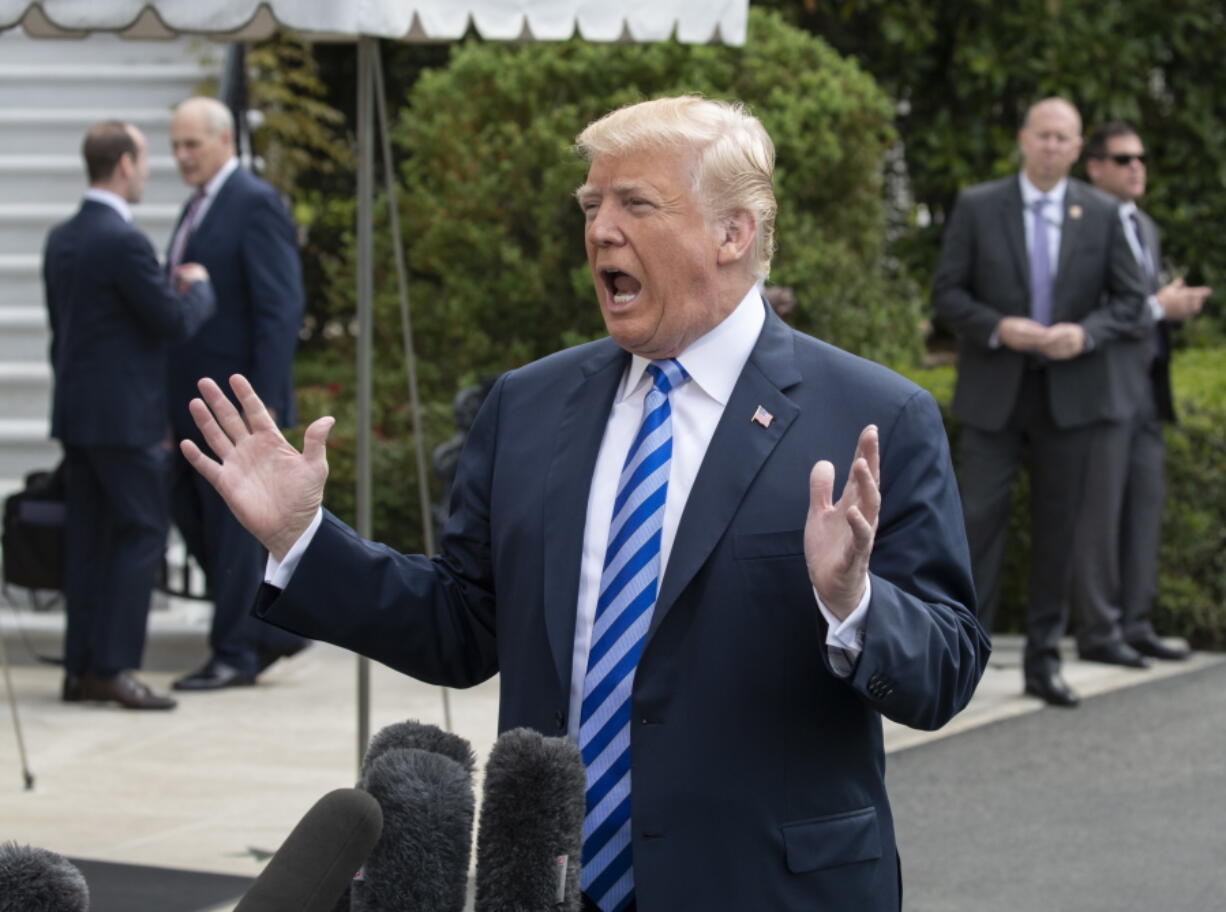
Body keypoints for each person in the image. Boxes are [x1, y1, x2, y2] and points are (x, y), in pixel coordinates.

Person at [181, 97, 988, 910]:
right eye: (592, 205)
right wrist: (303, 538)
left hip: (767, 888)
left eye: (636, 204)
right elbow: (464, 626)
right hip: (549, 884)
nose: (601, 229)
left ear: (733, 233)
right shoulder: (529, 406)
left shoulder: (872, 417)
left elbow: (946, 668)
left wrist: (853, 606)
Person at [932, 97, 1147, 708]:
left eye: (1064, 138)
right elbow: (947, 295)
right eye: (1043, 135)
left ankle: (1044, 662)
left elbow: (1132, 302)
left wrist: (1087, 334)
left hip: (1071, 396)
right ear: (1023, 139)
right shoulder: (978, 205)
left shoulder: (1104, 213)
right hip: (994, 393)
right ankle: (956, 662)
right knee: (974, 529)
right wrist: (1001, 327)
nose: (1053, 146)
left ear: (1079, 149)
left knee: (1058, 533)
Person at [45, 121, 215, 710]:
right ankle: (114, 667)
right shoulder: (123, 241)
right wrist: (197, 288)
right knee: (142, 532)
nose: (147, 171)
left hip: (77, 414)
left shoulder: (62, 237)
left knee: (89, 540)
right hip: (124, 418)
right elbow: (170, 321)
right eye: (143, 161)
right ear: (121, 164)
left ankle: (82, 669)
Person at [164, 96, 308, 691]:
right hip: (195, 403)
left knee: (229, 532)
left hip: (238, 407)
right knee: (189, 513)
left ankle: (235, 653)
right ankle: (272, 632)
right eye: (175, 146)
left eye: (192, 144)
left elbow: (280, 307)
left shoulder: (252, 203)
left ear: (225, 140)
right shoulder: (197, 208)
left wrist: (265, 403)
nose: (182, 157)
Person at [1073, 122, 1211, 663]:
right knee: (1100, 515)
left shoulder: (1145, 226)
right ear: (1096, 168)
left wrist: (1167, 306)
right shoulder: (1081, 226)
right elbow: (1094, 310)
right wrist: (1159, 307)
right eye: (1123, 157)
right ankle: (1099, 632)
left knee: (1143, 510)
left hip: (1149, 388)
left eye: (1142, 157)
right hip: (1103, 388)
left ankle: (1137, 622)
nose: (1137, 167)